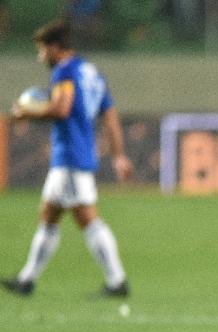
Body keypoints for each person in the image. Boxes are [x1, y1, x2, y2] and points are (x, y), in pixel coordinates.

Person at [2, 19, 131, 298]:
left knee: (87, 219)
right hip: (76, 154)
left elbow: (61, 109)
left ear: (54, 48)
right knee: (49, 216)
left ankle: (117, 281)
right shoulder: (91, 72)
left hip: (71, 154)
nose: (40, 58)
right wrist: (119, 154)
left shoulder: (65, 71)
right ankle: (27, 280)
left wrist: (25, 114)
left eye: (41, 51)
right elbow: (109, 115)